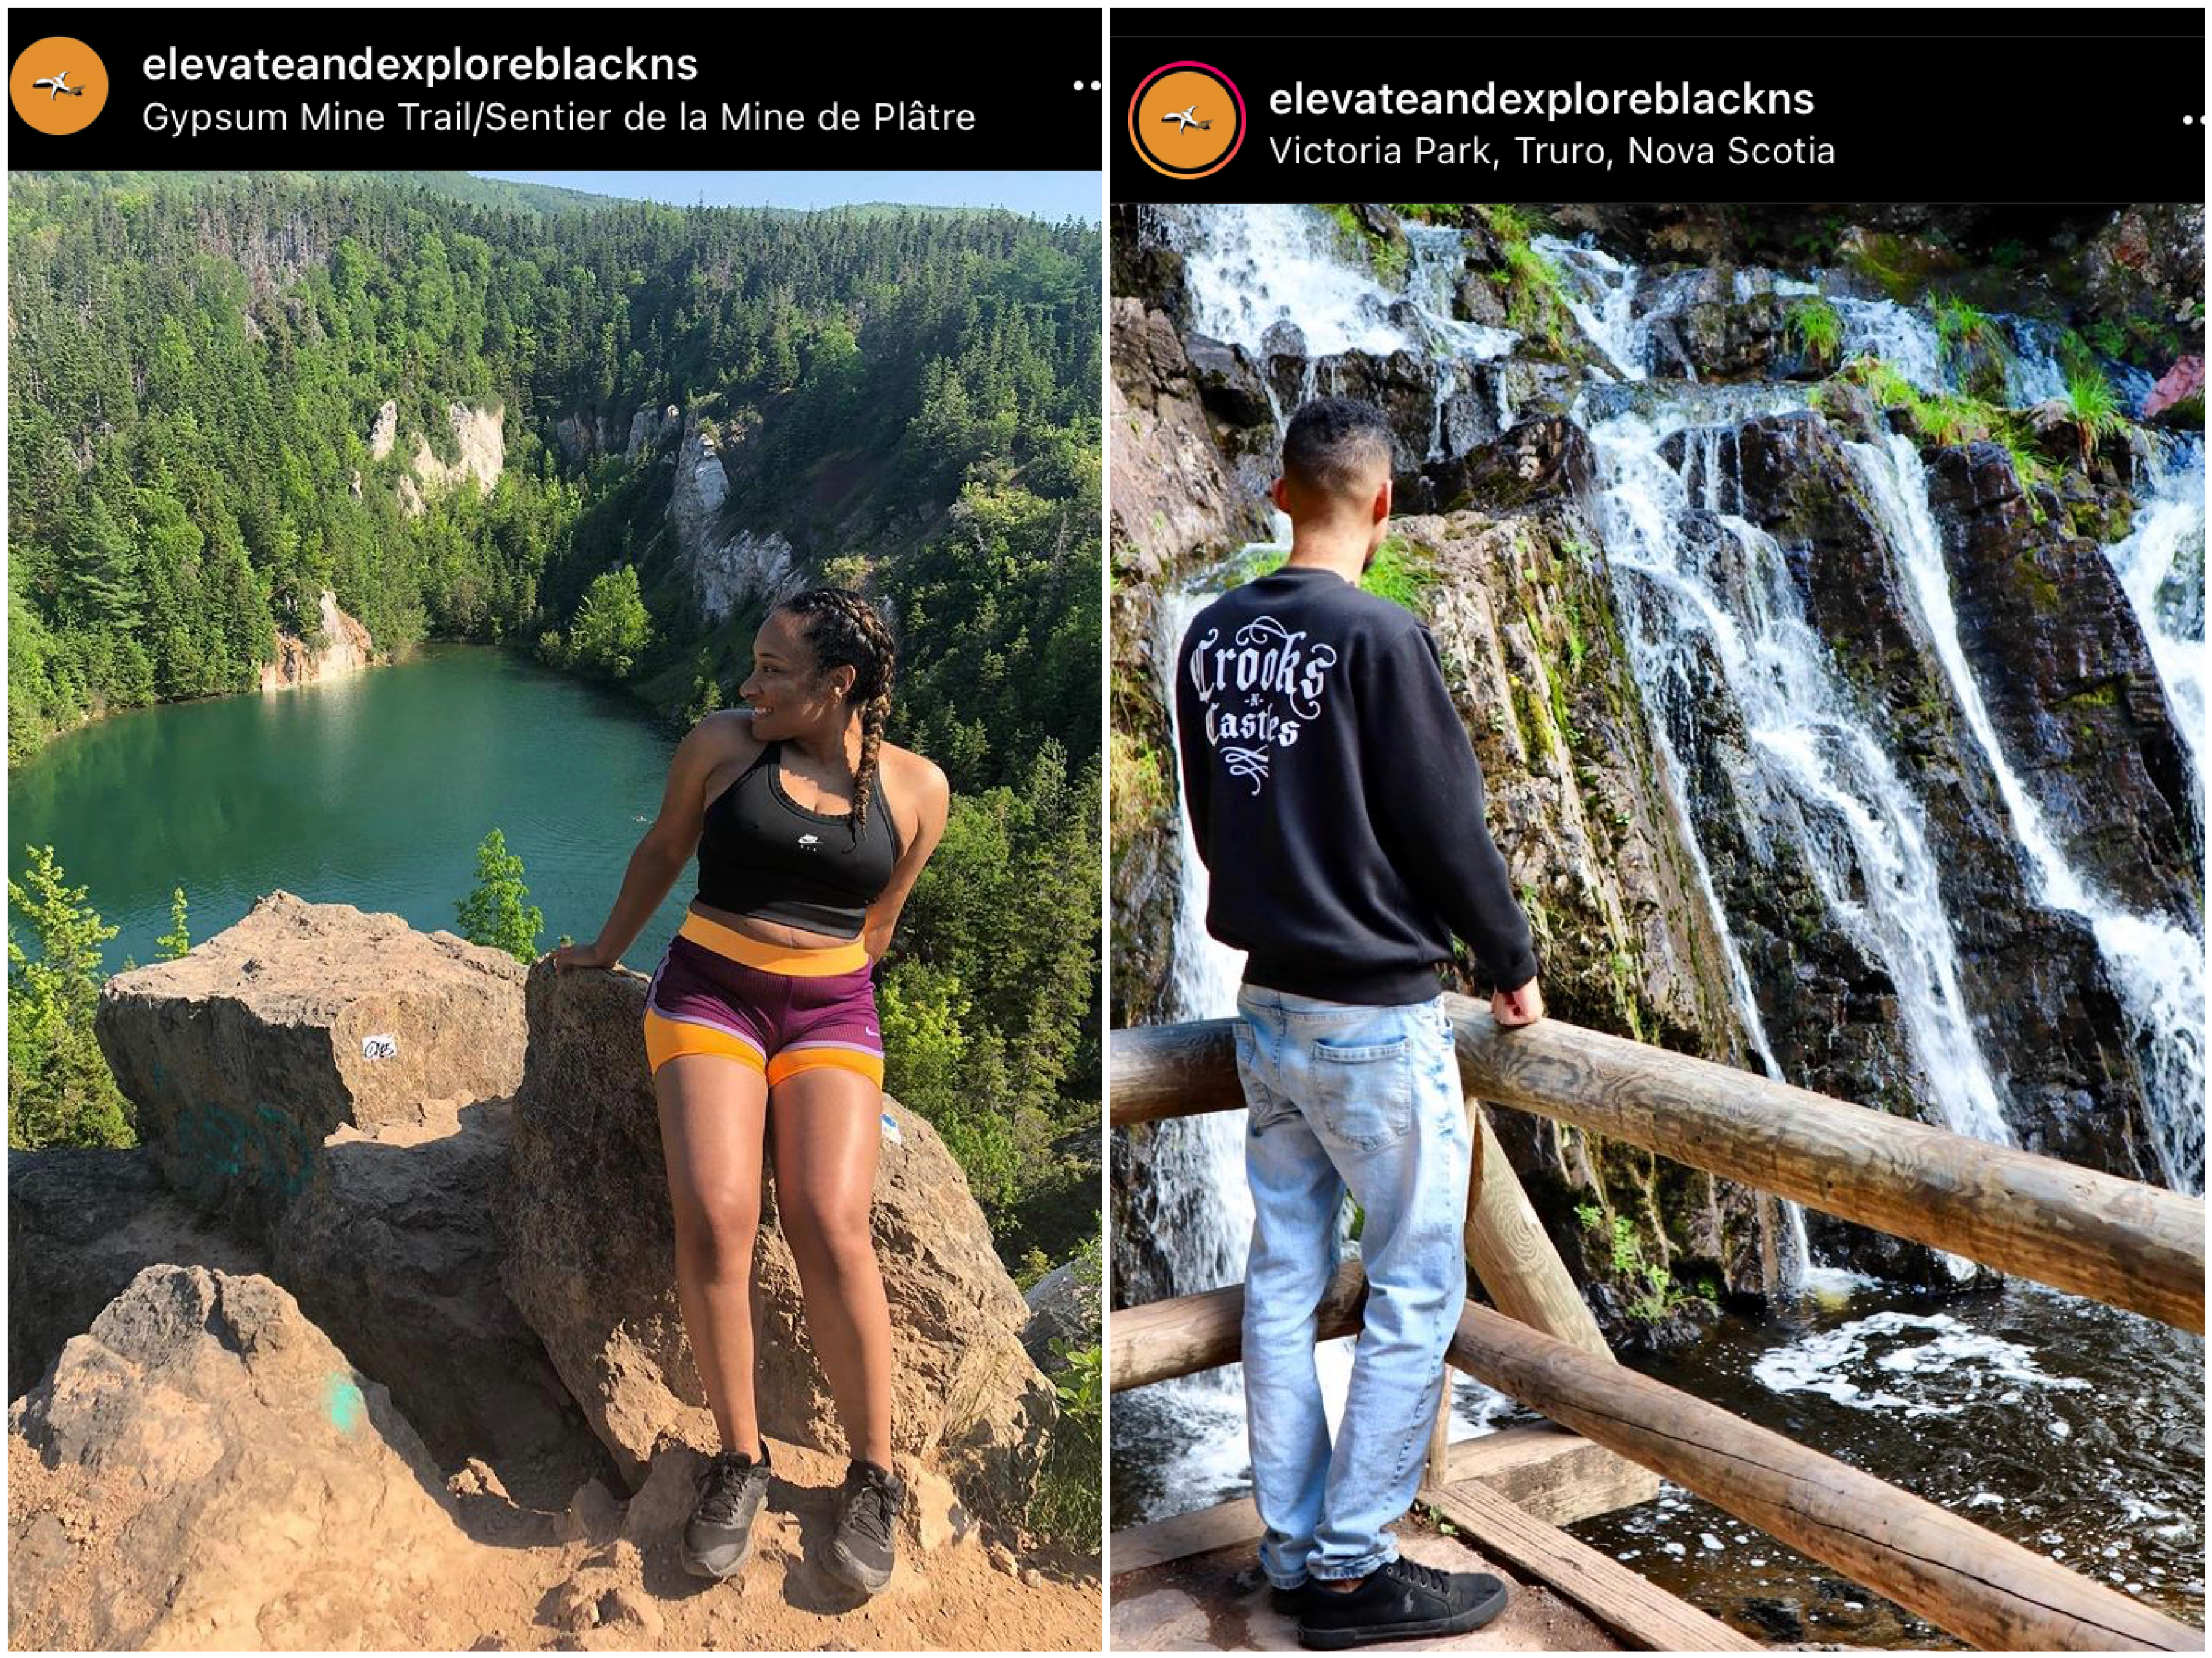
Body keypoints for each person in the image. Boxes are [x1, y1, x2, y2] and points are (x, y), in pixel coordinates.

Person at [1173, 397, 1545, 1650]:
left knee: (1281, 1278)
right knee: (1414, 1280)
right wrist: (1509, 962)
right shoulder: (1383, 637)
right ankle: (1349, 1569)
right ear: (1382, 504)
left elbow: (1215, 823)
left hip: (1265, 1004)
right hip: (1377, 1016)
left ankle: (1288, 1546)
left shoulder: (1210, 637)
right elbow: (1447, 832)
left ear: (1279, 493)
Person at [552, 586, 949, 1597]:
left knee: (830, 1219)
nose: (750, 683)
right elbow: (663, 852)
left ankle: (875, 1472)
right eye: (755, 662)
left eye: (775, 669)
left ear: (838, 685)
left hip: (829, 1015)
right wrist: (605, 951)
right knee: (720, 1216)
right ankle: (741, 1456)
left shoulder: (916, 790)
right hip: (709, 997)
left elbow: (879, 927)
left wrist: (829, 1007)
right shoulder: (723, 747)